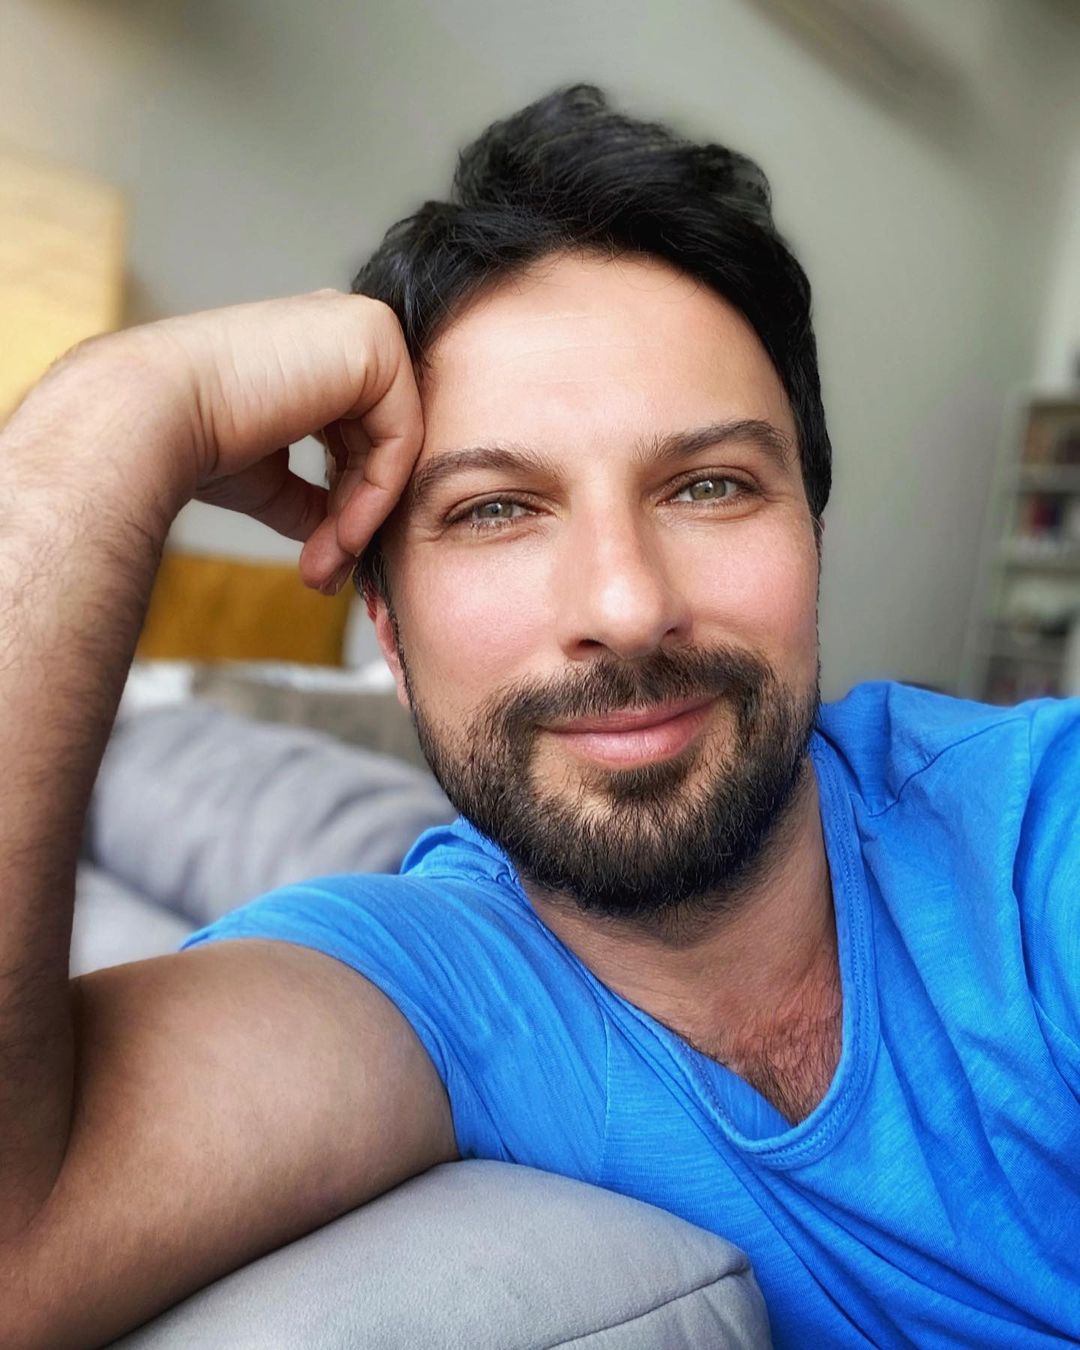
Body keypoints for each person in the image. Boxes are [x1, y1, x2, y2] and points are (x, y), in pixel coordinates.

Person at [0, 84, 1076, 1348]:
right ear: (388, 630)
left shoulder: (1033, 837)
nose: (626, 606)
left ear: (811, 540)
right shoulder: (427, 983)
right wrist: (112, 418)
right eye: (497, 510)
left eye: (710, 485)